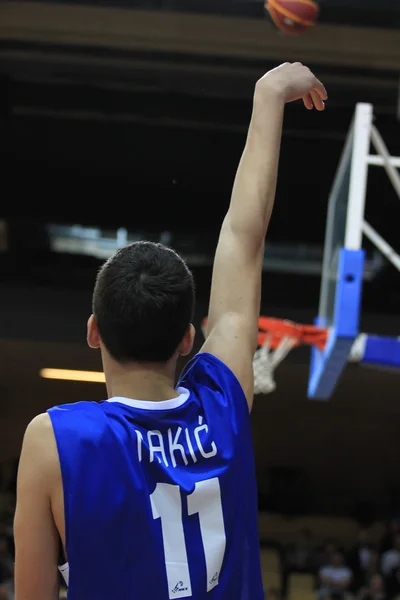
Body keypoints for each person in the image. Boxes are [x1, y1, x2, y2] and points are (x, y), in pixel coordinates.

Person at [13, 62, 327, 600]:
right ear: (187, 337)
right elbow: (243, 237)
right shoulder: (221, 408)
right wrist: (269, 96)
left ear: (94, 332)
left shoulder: (54, 439)